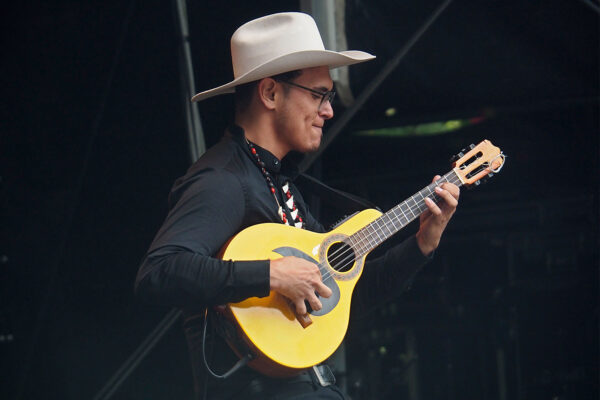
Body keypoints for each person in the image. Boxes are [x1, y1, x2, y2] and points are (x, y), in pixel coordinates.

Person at [135, 12, 459, 400]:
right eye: (318, 94)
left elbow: (342, 299)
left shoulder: (277, 182)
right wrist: (273, 275)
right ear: (270, 93)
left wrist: (423, 243)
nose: (329, 110)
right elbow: (159, 272)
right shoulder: (224, 180)